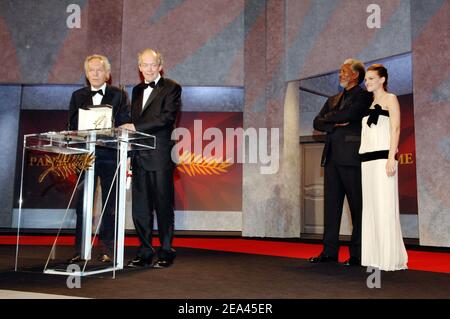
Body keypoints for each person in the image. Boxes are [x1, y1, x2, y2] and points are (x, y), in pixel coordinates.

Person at [121, 49, 182, 268]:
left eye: (152, 64)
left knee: (163, 206)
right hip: (138, 156)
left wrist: (135, 127)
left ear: (160, 66)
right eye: (144, 65)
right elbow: (131, 119)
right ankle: (145, 251)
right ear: (139, 67)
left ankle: (166, 251)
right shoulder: (136, 90)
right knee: (140, 208)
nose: (148, 68)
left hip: (159, 156)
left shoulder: (172, 87)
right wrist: (128, 149)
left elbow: (166, 119)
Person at [67, 54, 130, 263]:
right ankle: (80, 249)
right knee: (82, 205)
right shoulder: (77, 96)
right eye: (91, 70)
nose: (95, 73)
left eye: (99, 70)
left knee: (110, 205)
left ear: (107, 73)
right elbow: (71, 127)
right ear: (86, 74)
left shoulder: (119, 95)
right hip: (86, 157)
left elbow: (124, 125)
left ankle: (108, 250)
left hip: (111, 155)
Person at [310, 58, 372, 266]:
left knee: (357, 207)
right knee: (331, 208)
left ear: (355, 75)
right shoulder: (333, 99)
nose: (340, 74)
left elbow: (350, 114)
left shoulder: (364, 96)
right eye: (339, 72)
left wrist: (330, 119)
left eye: (344, 71)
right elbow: (316, 121)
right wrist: (335, 123)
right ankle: (329, 252)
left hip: (353, 158)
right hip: (331, 158)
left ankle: (358, 255)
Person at [359, 64, 408, 271]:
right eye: (366, 79)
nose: (367, 82)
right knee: (371, 208)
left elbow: (395, 128)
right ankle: (374, 256)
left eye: (371, 78)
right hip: (367, 162)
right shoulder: (369, 104)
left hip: (383, 160)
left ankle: (389, 257)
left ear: (382, 79)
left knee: (384, 206)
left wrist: (391, 157)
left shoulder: (391, 99)